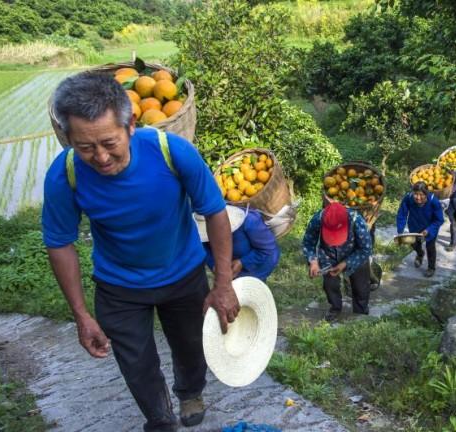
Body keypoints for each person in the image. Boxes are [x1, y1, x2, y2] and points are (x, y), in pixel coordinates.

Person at [42, 72, 239, 432]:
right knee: (136, 362)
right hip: (119, 286)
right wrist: (81, 314)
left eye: (108, 142)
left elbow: (214, 211)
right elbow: (59, 243)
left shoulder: (171, 152)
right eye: (85, 147)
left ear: (131, 124)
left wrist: (223, 282)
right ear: (69, 139)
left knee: (192, 345)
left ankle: (190, 392)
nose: (100, 157)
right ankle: (159, 417)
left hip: (183, 273)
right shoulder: (65, 174)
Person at [302, 202, 373, 322]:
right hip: (328, 255)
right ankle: (335, 307)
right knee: (330, 285)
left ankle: (360, 312)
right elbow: (308, 243)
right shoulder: (318, 219)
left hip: (354, 255)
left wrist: (346, 263)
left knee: (361, 287)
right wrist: (313, 261)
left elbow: (366, 248)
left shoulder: (356, 220)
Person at [198, 205, 281, 282]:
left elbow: (268, 249)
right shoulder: (199, 228)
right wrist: (214, 265)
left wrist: (242, 262)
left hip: (258, 265)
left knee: (253, 292)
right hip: (230, 271)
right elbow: (204, 249)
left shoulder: (250, 220)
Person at [396, 182, 445, 277]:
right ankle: (420, 254)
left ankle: (431, 268)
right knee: (414, 244)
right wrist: (400, 230)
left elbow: (439, 220)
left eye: (421, 195)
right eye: (416, 194)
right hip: (414, 226)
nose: (418, 198)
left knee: (430, 247)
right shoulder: (408, 198)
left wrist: (429, 230)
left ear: (426, 194)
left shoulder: (434, 202)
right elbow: (402, 214)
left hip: (430, 227)